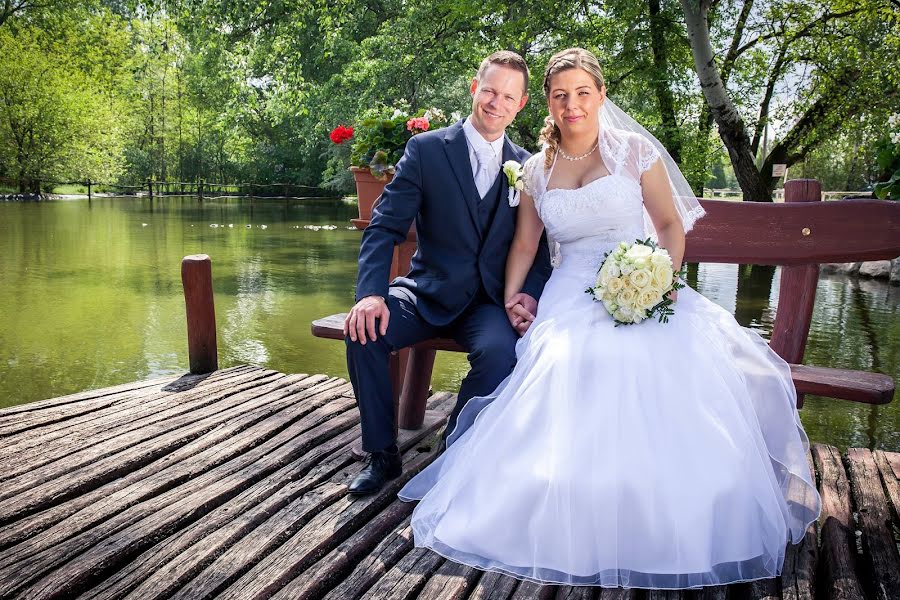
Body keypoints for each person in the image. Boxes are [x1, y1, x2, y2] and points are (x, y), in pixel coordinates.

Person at [398, 48, 821, 589]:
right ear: (545, 104)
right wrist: (512, 298)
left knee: (653, 360)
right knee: (565, 357)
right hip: (570, 291)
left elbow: (669, 226)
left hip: (643, 282)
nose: (571, 105)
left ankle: (657, 505)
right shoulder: (534, 169)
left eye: (581, 93)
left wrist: (659, 281)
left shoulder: (634, 153)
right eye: (559, 95)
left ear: (600, 95)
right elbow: (526, 246)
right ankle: (562, 498)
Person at [344, 51, 553, 496]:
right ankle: (382, 455)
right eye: (490, 90)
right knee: (363, 330)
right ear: (474, 89)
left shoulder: (529, 166)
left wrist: (528, 295)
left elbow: (536, 251)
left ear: (521, 104)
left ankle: (452, 448)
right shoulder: (426, 150)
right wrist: (370, 294)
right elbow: (384, 227)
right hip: (427, 293)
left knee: (501, 353)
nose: (496, 102)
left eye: (508, 96)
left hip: (489, 304)